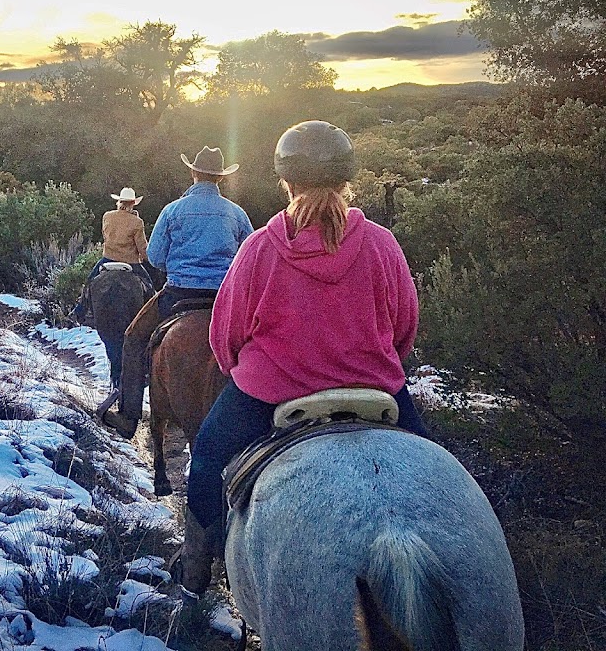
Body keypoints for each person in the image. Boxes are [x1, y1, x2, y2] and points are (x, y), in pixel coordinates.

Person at [174, 120, 431, 598]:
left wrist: (245, 372)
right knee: (437, 478)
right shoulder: (383, 245)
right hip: (376, 390)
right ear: (346, 180)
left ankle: (194, 573)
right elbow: (405, 328)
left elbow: (224, 335)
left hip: (270, 395)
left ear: (286, 182)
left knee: (208, 455)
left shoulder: (259, 249)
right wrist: (376, 366)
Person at [100, 147, 253, 439]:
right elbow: (249, 256)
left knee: (133, 338)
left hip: (179, 293)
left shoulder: (172, 210)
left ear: (194, 173)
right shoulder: (236, 213)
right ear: (219, 179)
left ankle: (128, 417)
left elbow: (155, 257)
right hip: (224, 298)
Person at [73, 188, 154, 391]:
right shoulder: (137, 222)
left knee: (90, 281)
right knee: (151, 288)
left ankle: (80, 311)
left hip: (107, 259)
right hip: (130, 264)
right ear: (133, 203)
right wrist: (144, 257)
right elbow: (142, 250)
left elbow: (107, 236)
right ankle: (155, 317)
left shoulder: (107, 216)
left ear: (119, 202)